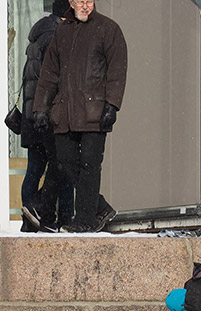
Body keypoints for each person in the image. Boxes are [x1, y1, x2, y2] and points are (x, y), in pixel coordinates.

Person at [32, 0, 127, 233]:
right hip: (64, 112)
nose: (85, 6)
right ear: (71, 2)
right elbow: (49, 74)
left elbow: (117, 70)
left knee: (90, 165)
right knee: (64, 161)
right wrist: (41, 108)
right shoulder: (62, 31)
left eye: (90, 1)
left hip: (94, 111)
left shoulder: (108, 28)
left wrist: (112, 105)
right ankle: (100, 207)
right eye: (81, 1)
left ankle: (85, 219)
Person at [20, 0, 74, 233]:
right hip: (47, 115)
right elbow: (54, 79)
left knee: (35, 169)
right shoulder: (56, 35)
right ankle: (61, 219)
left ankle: (29, 218)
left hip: (33, 115)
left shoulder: (40, 33)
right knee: (62, 167)